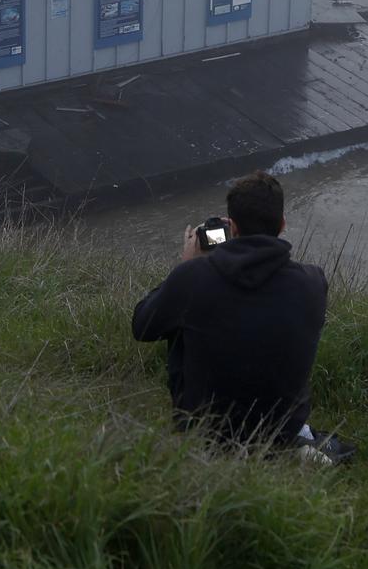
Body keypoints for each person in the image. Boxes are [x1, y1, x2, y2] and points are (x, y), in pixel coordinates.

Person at [131, 169, 330, 446]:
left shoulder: (194, 277)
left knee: (184, 318)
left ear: (233, 228)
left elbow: (142, 326)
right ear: (282, 224)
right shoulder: (313, 282)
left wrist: (187, 266)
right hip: (282, 430)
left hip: (205, 429)